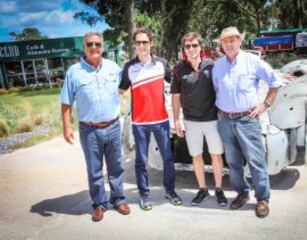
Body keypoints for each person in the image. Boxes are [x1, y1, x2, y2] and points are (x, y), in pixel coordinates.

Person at [212, 27, 283, 218]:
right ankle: (242, 193)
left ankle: (262, 199)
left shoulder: (252, 61)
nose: (228, 44)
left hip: (247, 119)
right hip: (225, 120)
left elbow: (275, 83)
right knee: (233, 162)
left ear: (239, 41)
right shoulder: (217, 66)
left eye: (232, 40)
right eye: (224, 42)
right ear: (221, 45)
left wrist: (265, 104)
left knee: (256, 161)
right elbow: (217, 90)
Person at [60, 32, 130, 222]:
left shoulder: (114, 68)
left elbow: (126, 86)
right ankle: (99, 204)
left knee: (116, 166)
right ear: (84, 47)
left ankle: (118, 199)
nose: (94, 47)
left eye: (97, 44)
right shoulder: (73, 72)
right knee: (94, 170)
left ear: (103, 46)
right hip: (89, 129)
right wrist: (66, 128)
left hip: (113, 126)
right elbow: (66, 103)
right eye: (89, 44)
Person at [119, 28, 182, 211]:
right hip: (139, 124)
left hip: (162, 121)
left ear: (150, 43)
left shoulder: (161, 64)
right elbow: (120, 91)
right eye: (138, 42)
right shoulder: (129, 67)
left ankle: (170, 191)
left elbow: (176, 85)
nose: (141, 46)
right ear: (134, 45)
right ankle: (144, 195)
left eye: (144, 42)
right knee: (141, 161)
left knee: (168, 158)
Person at [171, 32, 227, 206]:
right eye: (188, 46)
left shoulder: (212, 65)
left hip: (212, 120)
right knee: (196, 156)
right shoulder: (179, 70)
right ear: (184, 49)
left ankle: (219, 189)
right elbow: (175, 96)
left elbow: (222, 88)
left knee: (216, 155)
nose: (191, 49)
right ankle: (203, 190)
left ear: (200, 47)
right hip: (191, 121)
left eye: (195, 45)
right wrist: (176, 120)